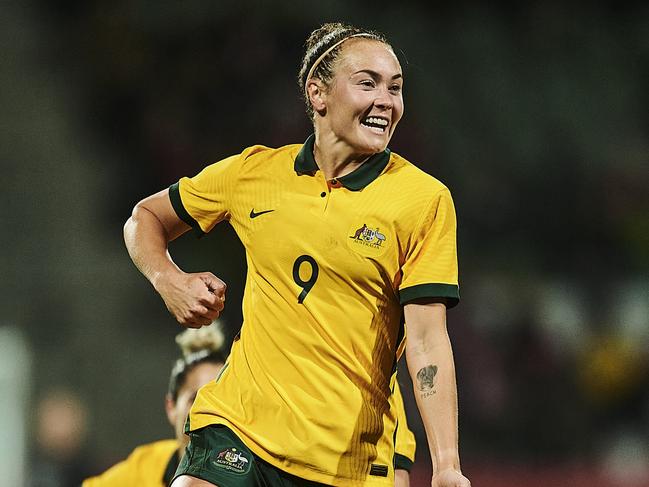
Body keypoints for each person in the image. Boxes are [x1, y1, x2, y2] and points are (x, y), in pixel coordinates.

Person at [124, 21, 469, 487]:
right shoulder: (255, 173)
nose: (386, 101)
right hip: (240, 427)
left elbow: (428, 342)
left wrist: (446, 465)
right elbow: (145, 217)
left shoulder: (422, 200)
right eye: (367, 83)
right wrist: (169, 280)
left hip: (342, 456)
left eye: (396, 87)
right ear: (318, 94)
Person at [82, 323, 227, 487]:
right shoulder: (144, 470)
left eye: (220, 399)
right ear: (171, 407)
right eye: (195, 398)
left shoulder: (254, 473)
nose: (208, 410)